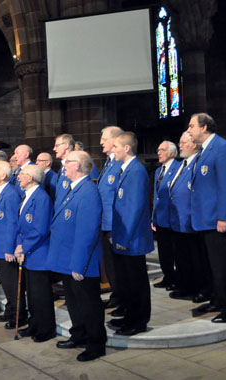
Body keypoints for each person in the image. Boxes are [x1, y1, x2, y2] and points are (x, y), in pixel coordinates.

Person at [48, 151, 106, 361]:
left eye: (68, 162)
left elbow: (87, 233)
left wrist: (79, 264)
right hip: (67, 258)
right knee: (74, 302)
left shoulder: (88, 192)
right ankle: (79, 334)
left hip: (80, 261)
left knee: (89, 304)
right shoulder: (74, 189)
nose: (63, 164)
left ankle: (96, 343)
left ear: (79, 166)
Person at [188, 112, 226, 323]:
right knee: (213, 266)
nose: (189, 130)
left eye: (192, 126)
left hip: (219, 220)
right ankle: (219, 300)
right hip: (206, 220)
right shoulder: (205, 151)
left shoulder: (222, 147)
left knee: (224, 267)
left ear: (204, 127)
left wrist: (224, 216)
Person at [109, 132, 154, 336]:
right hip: (124, 235)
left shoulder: (135, 171)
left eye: (116, 146)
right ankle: (129, 316)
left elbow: (135, 208)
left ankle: (138, 321)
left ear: (127, 148)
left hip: (132, 237)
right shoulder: (125, 169)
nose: (113, 150)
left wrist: (125, 238)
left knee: (136, 282)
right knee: (126, 281)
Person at [168, 132, 212, 302]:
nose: (180, 146)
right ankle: (186, 286)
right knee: (183, 258)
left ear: (194, 144)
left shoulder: (198, 161)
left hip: (191, 221)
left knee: (197, 259)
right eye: (179, 143)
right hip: (179, 221)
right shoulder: (183, 163)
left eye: (184, 142)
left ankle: (202, 288)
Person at [14, 165, 55, 343]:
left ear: (31, 178)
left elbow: (40, 229)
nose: (19, 177)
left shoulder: (42, 198)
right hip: (28, 252)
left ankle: (46, 328)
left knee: (41, 294)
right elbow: (20, 227)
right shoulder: (26, 197)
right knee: (31, 293)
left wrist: (24, 247)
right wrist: (19, 245)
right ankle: (34, 324)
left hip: (39, 253)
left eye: (22, 174)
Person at [0, 161, 27, 329]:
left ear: (3, 175)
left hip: (6, 248)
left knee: (11, 284)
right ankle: (11, 310)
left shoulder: (11, 194)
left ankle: (19, 315)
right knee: (6, 282)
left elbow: (13, 223)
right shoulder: (1, 192)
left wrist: (9, 248)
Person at [97, 126, 124, 310]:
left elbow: (119, 199)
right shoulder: (108, 163)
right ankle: (116, 295)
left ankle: (122, 298)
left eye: (104, 139)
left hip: (114, 224)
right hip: (104, 224)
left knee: (119, 267)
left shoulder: (120, 164)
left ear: (115, 140)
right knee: (112, 267)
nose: (100, 142)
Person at [152, 140, 181, 290]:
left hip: (173, 217)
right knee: (164, 252)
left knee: (176, 251)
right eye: (158, 149)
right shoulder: (158, 171)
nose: (158, 152)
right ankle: (168, 277)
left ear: (171, 153)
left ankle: (177, 280)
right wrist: (153, 217)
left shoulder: (179, 167)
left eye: (162, 150)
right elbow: (156, 196)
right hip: (161, 218)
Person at [53, 134, 75, 205]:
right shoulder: (62, 169)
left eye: (57, 146)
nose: (54, 149)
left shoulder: (75, 166)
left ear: (66, 145)